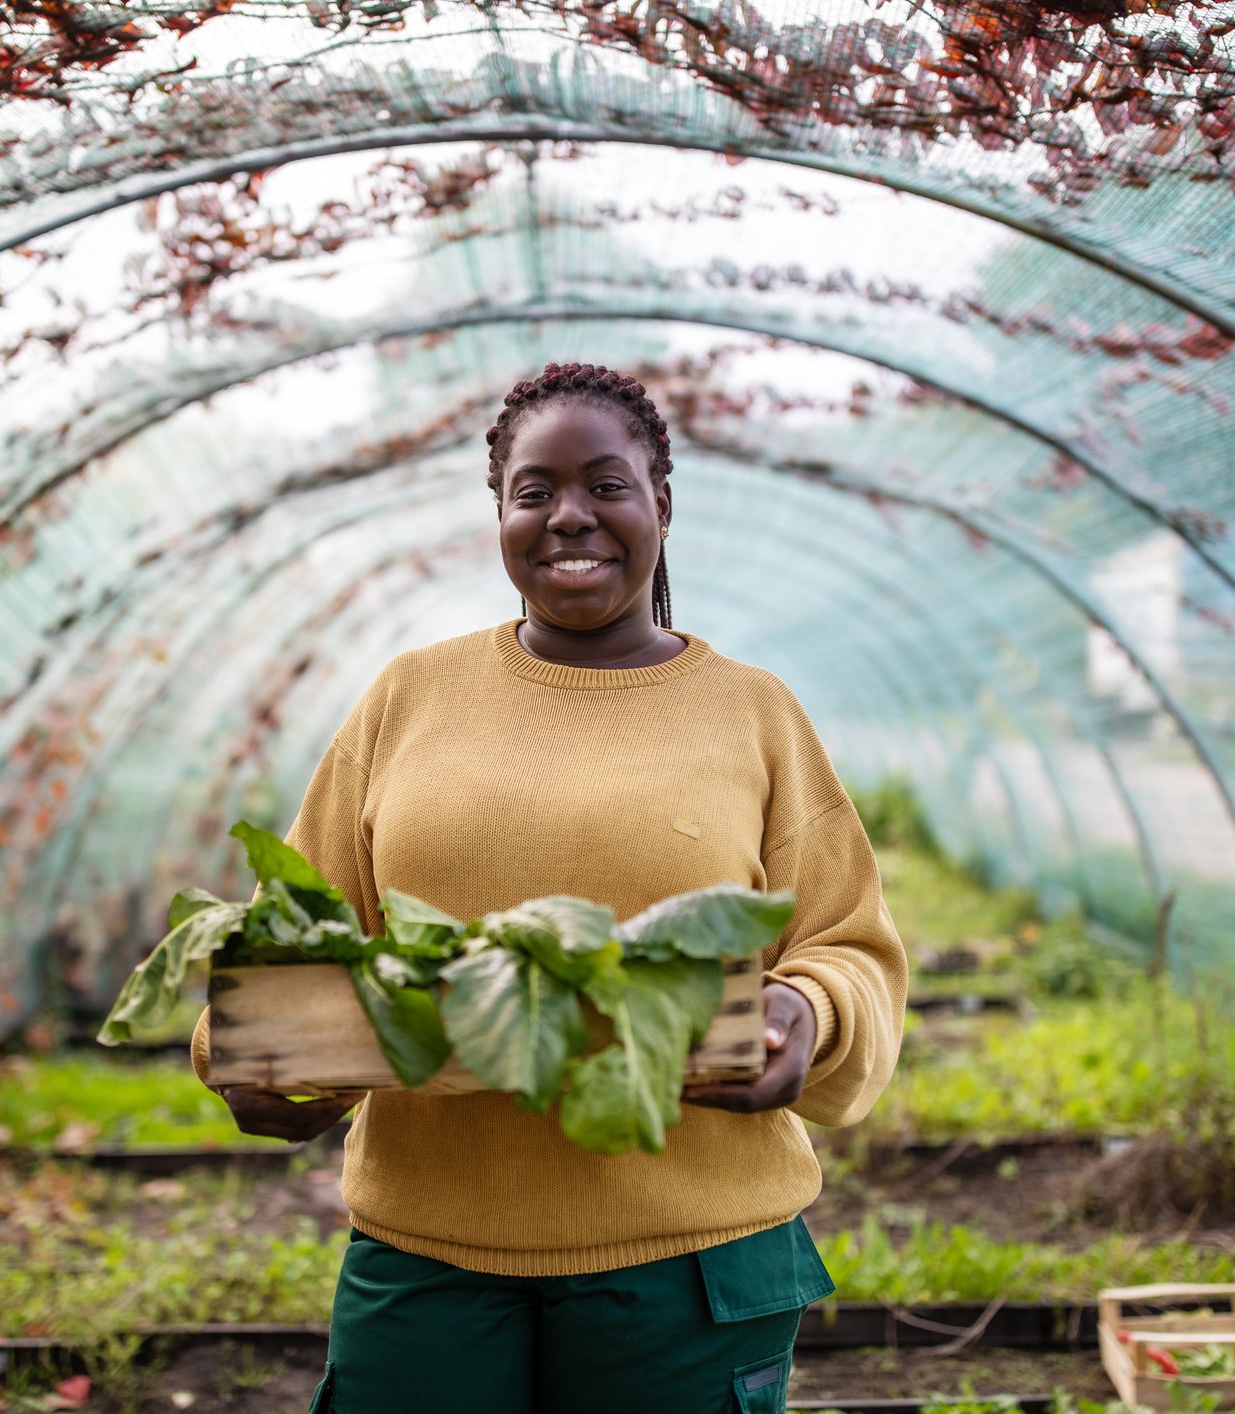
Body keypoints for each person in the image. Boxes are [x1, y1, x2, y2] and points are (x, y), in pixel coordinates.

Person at [200, 362, 907, 1413]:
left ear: (659, 503)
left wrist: (809, 1009)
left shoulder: (751, 712)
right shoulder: (409, 697)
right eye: (535, 491)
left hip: (692, 1263)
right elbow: (299, 935)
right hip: (427, 1258)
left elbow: (848, 942)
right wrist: (259, 1058)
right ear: (500, 512)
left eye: (606, 485)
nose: (570, 516)